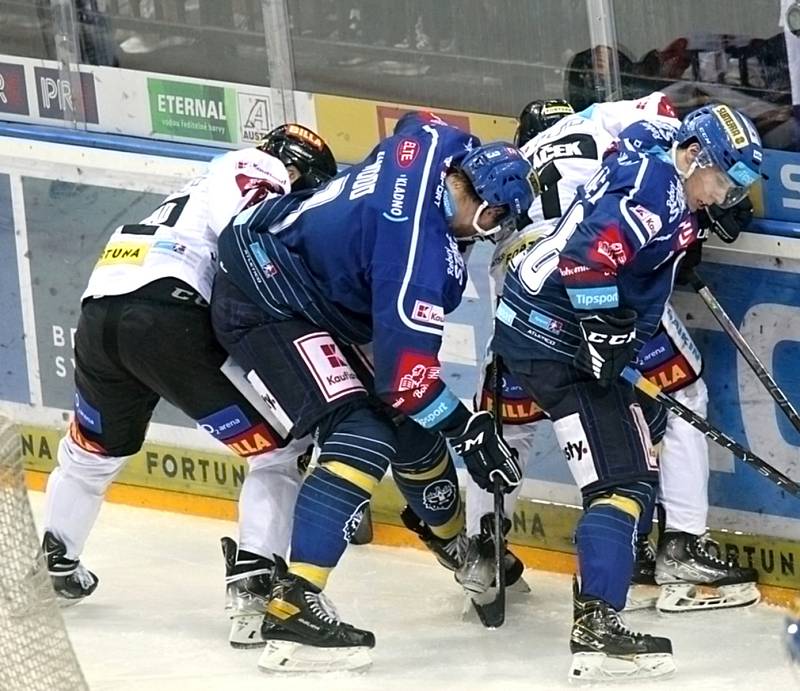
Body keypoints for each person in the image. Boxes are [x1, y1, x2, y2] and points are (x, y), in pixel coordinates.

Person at [210, 111, 533, 672]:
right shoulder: (419, 259)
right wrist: (470, 431)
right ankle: (294, 605)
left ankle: (456, 546)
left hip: (296, 271)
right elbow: (406, 382)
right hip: (265, 299)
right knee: (364, 429)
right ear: (488, 207)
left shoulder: (435, 144)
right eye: (497, 222)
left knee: (408, 429)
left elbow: (416, 120)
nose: (490, 236)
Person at [487, 102, 763, 681]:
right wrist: (603, 329)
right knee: (622, 480)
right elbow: (586, 262)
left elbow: (639, 138)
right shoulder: (655, 188)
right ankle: (596, 628)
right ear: (692, 157)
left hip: (535, 326)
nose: (721, 195)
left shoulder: (661, 166)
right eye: (720, 179)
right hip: (554, 337)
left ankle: (601, 604)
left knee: (631, 461)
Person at [41, 124, 338, 651]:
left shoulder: (193, 186)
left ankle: (54, 561)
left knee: (91, 452)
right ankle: (254, 581)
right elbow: (244, 241)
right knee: (280, 450)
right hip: (168, 318)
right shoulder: (256, 166)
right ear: (292, 168)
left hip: (99, 316)